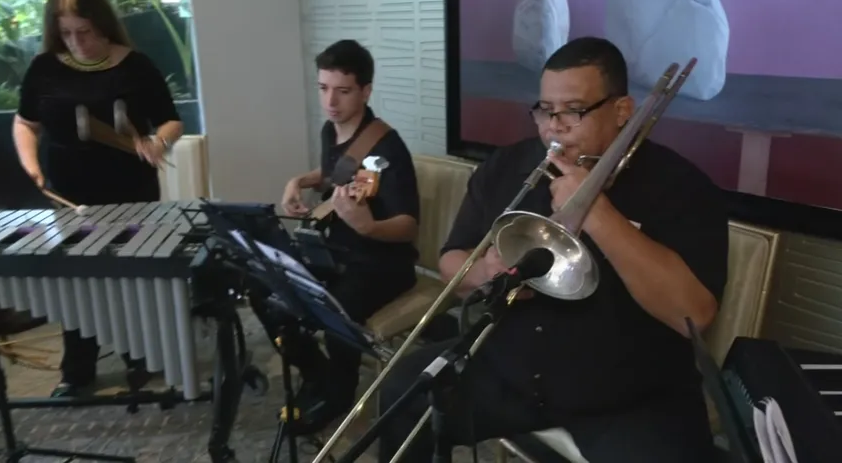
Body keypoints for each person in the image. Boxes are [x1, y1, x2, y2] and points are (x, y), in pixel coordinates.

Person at [377, 37, 729, 462]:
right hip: (508, 371)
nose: (554, 127)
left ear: (622, 111)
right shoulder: (507, 166)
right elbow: (451, 260)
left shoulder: (681, 186)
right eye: (545, 110)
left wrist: (599, 214)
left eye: (574, 111)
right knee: (402, 391)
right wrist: (486, 271)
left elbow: (694, 314)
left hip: (630, 396)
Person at [12, 0, 184, 398]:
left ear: (102, 25)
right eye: (66, 33)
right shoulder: (45, 68)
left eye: (84, 32)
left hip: (130, 189)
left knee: (131, 277)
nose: (76, 42)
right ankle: (78, 370)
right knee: (76, 280)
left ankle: (140, 357)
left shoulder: (135, 66)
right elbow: (26, 123)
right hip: (69, 190)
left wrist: (157, 143)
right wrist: (31, 167)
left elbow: (171, 120)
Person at [266, 39, 420, 433]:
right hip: (335, 251)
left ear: (366, 91)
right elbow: (335, 173)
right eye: (323, 88)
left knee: (336, 313)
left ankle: (339, 396)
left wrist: (368, 226)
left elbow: (409, 225)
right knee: (269, 291)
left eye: (343, 91)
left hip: (382, 263)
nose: (330, 101)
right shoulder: (330, 130)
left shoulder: (388, 148)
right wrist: (299, 181)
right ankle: (318, 375)